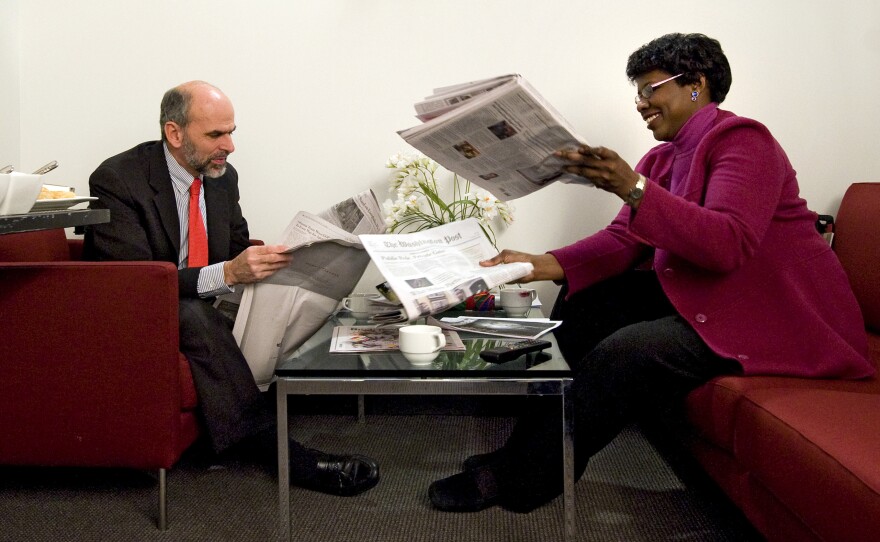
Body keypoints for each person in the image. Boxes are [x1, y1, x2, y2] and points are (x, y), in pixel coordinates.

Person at [427, 33, 874, 513]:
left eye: (650, 89)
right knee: (586, 303)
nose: (640, 103)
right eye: (637, 92)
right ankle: (524, 454)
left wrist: (633, 187)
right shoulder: (661, 159)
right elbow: (624, 241)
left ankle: (523, 477)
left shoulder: (744, 141)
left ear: (696, 84)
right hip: (714, 300)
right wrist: (537, 264)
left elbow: (726, 244)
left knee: (630, 352)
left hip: (776, 317)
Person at [84, 80, 379, 497]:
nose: (229, 146)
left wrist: (282, 263)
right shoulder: (119, 178)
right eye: (215, 135)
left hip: (208, 297)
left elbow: (236, 248)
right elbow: (138, 279)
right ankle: (277, 449)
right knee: (192, 311)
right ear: (175, 133)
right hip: (146, 306)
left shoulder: (222, 177)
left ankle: (239, 411)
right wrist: (227, 275)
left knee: (290, 295)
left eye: (231, 133)